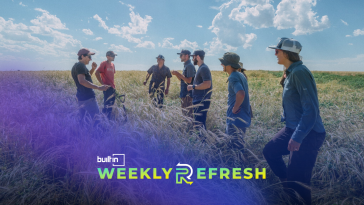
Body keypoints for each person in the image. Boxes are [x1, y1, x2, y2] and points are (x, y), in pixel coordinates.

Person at [263, 38, 326, 205]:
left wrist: (297, 137)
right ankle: (287, 185)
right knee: (270, 151)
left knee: (299, 181)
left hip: (309, 133)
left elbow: (311, 110)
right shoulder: (291, 71)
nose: (274, 54)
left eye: (277, 51)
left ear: (286, 53)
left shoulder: (300, 72)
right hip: (293, 128)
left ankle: (295, 194)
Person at [71, 48, 109, 123]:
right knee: (96, 120)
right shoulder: (81, 66)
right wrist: (98, 87)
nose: (90, 59)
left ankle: (82, 134)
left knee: (83, 121)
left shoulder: (76, 66)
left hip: (81, 97)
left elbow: (85, 79)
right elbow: (82, 81)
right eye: (89, 57)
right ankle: (97, 134)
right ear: (82, 56)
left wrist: (92, 69)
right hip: (88, 98)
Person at [219, 52, 251, 140]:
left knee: (233, 147)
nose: (221, 64)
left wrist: (234, 108)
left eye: (223, 62)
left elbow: (241, 94)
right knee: (239, 145)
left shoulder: (233, 77)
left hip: (235, 119)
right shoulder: (240, 75)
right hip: (242, 118)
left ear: (229, 65)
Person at [187, 50, 212, 131]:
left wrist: (193, 87)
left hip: (201, 101)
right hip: (199, 101)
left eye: (193, 57)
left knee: (200, 126)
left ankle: (203, 142)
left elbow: (207, 84)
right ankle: (202, 141)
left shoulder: (203, 68)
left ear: (197, 57)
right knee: (199, 125)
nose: (192, 59)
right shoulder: (201, 68)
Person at [172, 49, 196, 118]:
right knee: (185, 114)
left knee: (188, 114)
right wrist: (177, 75)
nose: (180, 57)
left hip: (188, 95)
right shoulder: (186, 65)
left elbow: (189, 81)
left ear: (186, 56)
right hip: (184, 94)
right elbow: (183, 80)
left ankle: (190, 128)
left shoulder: (189, 66)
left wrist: (178, 73)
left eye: (181, 55)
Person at [95, 51, 117, 119]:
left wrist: (114, 86)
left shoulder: (113, 65)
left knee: (111, 104)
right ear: (107, 56)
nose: (114, 57)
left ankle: (108, 118)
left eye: (114, 55)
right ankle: (104, 118)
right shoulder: (104, 63)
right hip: (106, 87)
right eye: (112, 56)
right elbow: (97, 73)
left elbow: (112, 76)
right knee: (107, 104)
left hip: (112, 87)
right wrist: (102, 84)